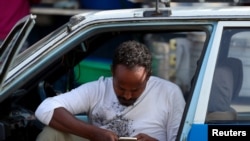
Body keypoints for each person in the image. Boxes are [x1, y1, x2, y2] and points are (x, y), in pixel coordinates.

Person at [35, 40, 185, 141]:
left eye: (135, 90)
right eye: (120, 87)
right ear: (112, 72)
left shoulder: (169, 93)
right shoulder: (98, 89)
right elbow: (45, 109)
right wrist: (95, 133)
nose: (127, 95)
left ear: (148, 77)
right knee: (52, 133)